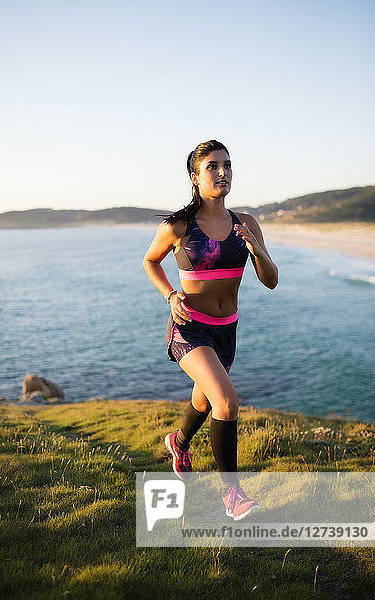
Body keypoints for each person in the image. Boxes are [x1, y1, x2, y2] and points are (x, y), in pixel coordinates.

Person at [143, 140, 278, 520]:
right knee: (227, 402)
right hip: (190, 328)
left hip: (226, 330)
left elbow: (271, 280)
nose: (223, 173)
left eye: (228, 165)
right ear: (195, 177)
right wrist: (170, 295)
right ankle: (232, 494)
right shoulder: (178, 226)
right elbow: (150, 261)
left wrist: (257, 252)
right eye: (213, 167)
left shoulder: (246, 224)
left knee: (204, 401)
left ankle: (179, 442)